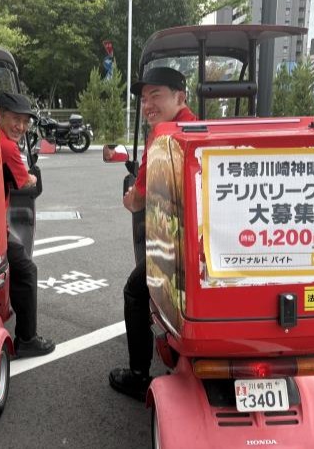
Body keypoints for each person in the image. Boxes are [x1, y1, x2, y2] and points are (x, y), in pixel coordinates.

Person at [109, 67, 196, 400]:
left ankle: (138, 374)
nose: (147, 104)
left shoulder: (165, 135)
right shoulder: (198, 128)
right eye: (144, 99)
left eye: (155, 95)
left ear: (180, 96)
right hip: (205, 242)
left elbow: (140, 198)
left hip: (176, 244)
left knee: (134, 290)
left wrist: (130, 197)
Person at [0, 92, 56, 358]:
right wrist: (30, 176)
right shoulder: (7, 147)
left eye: (25, 121)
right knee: (26, 270)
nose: (20, 126)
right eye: (15, 119)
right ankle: (27, 338)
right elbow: (25, 182)